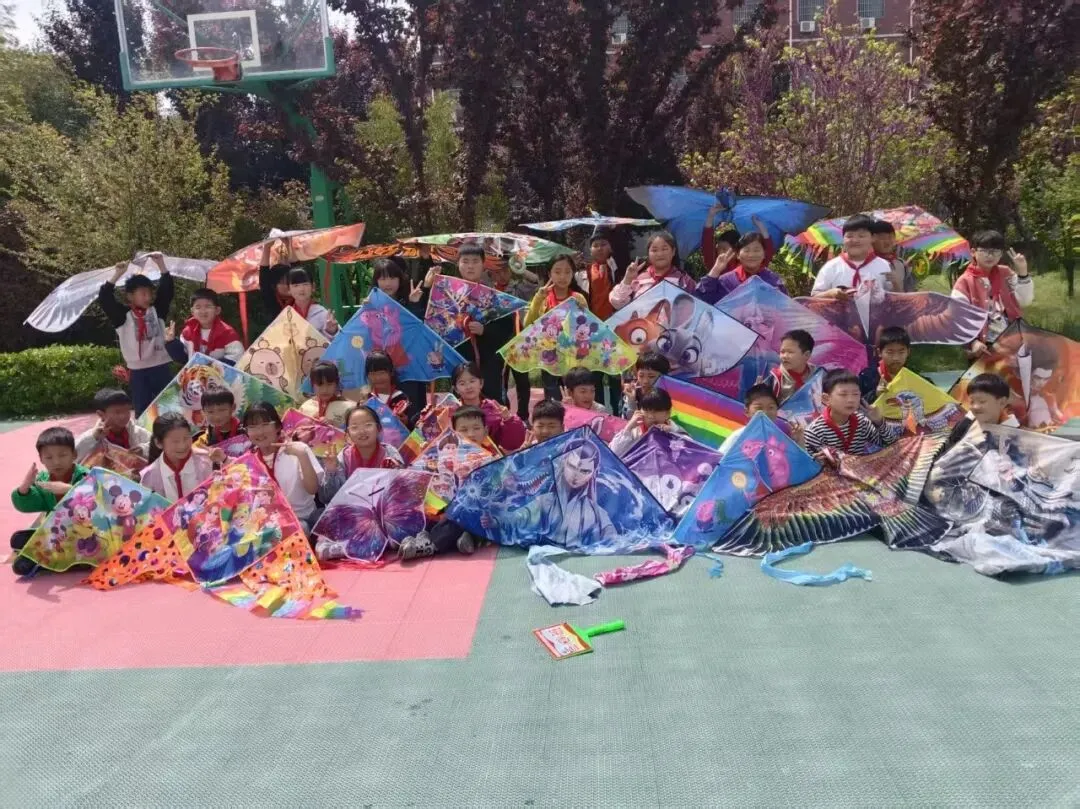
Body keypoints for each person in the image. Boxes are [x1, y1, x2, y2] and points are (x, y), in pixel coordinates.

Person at [398, 406, 501, 560]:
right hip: (444, 511)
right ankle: (448, 538)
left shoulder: (493, 460)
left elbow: (496, 496)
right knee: (425, 514)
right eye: (464, 429)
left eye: (476, 428)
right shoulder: (444, 457)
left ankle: (430, 545)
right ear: (454, 432)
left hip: (474, 514)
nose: (471, 434)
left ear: (485, 431)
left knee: (460, 517)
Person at [423, 243, 514, 404]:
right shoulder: (446, 293)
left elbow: (507, 329)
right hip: (459, 357)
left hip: (488, 361)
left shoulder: (494, 296)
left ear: (483, 264)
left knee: (492, 404)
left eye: (475, 261)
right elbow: (431, 321)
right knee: (462, 405)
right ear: (458, 264)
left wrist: (485, 330)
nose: (470, 266)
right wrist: (427, 287)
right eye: (465, 261)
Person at [96, 252, 174, 413]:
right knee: (142, 411)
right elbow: (104, 298)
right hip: (138, 372)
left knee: (170, 408)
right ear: (130, 296)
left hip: (161, 367)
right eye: (143, 293)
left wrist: (161, 264)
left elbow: (167, 291)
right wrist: (117, 274)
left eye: (150, 293)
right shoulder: (122, 316)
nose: (148, 297)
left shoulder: (157, 310)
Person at [10, 427, 89, 576]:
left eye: (62, 455)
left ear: (74, 454)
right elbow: (30, 504)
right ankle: (41, 554)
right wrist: (24, 489)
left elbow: (97, 496)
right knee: (18, 539)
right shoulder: (43, 479)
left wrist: (70, 489)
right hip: (57, 533)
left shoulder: (85, 475)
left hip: (85, 532)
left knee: (82, 545)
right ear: (41, 459)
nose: (56, 462)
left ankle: (45, 563)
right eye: (49, 457)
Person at [243, 401, 324, 535]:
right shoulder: (249, 461)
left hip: (301, 519)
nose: (259, 432)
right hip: (268, 525)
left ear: (277, 426)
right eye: (252, 427)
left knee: (300, 528)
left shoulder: (299, 449)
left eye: (265, 425)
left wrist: (302, 456)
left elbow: (312, 489)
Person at [951, 230, 1032, 356]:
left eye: (995, 251)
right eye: (984, 251)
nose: (990, 256)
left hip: (1013, 339)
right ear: (973, 252)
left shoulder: (1005, 273)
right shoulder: (965, 282)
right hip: (984, 346)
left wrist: (1023, 272)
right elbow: (957, 317)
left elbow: (1025, 301)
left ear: (1001, 254)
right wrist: (973, 342)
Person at [524, 255, 589, 401]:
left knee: (576, 397)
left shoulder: (578, 298)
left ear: (573, 274)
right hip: (549, 357)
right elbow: (528, 323)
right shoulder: (543, 298)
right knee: (553, 399)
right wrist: (538, 298)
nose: (562, 276)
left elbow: (586, 327)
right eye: (557, 272)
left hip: (573, 357)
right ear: (549, 274)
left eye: (567, 272)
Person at [372, 258, 428, 417]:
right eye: (383, 278)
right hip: (381, 368)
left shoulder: (409, 301)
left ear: (400, 279)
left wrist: (414, 304)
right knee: (383, 412)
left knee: (413, 411)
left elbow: (419, 329)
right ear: (376, 281)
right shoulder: (369, 306)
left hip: (409, 367)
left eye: (392, 277)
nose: (387, 283)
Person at [318, 404, 406, 504]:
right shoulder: (343, 457)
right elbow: (327, 498)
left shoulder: (390, 453)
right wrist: (331, 471)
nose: (362, 431)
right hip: (351, 510)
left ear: (378, 428)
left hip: (384, 507)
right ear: (348, 434)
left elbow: (401, 490)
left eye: (368, 425)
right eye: (354, 427)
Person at [804, 369, 893, 457]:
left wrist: (879, 422)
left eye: (855, 394)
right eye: (843, 395)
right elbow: (814, 463)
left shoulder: (862, 421)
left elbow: (889, 444)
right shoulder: (814, 432)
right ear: (826, 399)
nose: (851, 400)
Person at [450, 362, 527, 452]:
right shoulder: (450, 412)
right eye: (462, 383)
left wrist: (508, 420)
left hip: (491, 458)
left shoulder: (494, 408)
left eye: (472, 381)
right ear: (456, 389)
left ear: (481, 383)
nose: (468, 386)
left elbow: (513, 443)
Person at [811, 214, 894, 298]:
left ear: (873, 238)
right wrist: (830, 294)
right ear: (843, 238)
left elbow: (893, 297)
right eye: (849, 236)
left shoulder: (884, 266)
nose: (855, 240)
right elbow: (814, 296)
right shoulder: (831, 266)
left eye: (861, 236)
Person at [609, 231, 695, 310]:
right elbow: (617, 303)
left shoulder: (684, 281)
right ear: (648, 254)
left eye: (664, 249)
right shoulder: (638, 280)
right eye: (654, 250)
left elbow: (696, 309)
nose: (660, 254)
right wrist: (627, 279)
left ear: (673, 252)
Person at [140, 413, 215, 501]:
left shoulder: (207, 460)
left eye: (186, 438)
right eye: (175, 441)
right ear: (158, 443)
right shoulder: (149, 476)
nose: (182, 446)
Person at [697, 231, 788, 304]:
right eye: (746, 250)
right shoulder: (726, 281)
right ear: (738, 255)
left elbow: (784, 309)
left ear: (764, 254)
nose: (751, 255)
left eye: (756, 250)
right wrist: (715, 270)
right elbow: (701, 300)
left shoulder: (773, 281)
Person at [718, 384, 805, 454]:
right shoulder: (738, 437)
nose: (766, 413)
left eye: (771, 407)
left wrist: (799, 442)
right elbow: (719, 463)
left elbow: (798, 464)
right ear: (747, 411)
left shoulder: (781, 439)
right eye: (759, 408)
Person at [168, 288, 244, 366]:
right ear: (192, 312)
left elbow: (237, 358)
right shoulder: (187, 332)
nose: (203, 311)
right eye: (198, 307)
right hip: (194, 373)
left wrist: (209, 367)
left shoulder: (228, 333)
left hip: (220, 373)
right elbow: (183, 358)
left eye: (208, 306)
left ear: (217, 310)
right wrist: (171, 342)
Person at [75, 388, 151, 459]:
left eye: (127, 410)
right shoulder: (94, 436)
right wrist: (93, 437)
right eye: (117, 412)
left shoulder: (135, 432)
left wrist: (143, 449)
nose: (124, 416)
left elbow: (155, 442)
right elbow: (73, 454)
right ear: (101, 414)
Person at [610, 389, 688, 456]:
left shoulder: (676, 431)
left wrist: (673, 434)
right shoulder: (634, 432)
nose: (651, 416)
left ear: (668, 413)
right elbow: (613, 454)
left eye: (656, 411)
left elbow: (690, 452)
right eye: (646, 410)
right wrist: (628, 428)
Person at [701, 209, 774, 274]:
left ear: (736, 251)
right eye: (718, 248)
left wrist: (761, 226)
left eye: (724, 249)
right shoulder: (715, 264)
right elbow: (707, 243)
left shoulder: (749, 267)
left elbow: (768, 252)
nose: (719, 252)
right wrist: (711, 216)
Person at [858, 326, 911, 402]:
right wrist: (875, 394)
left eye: (901, 352)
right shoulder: (866, 377)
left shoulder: (914, 377)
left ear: (908, 352)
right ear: (879, 352)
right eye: (890, 352)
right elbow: (855, 405)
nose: (896, 358)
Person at [364, 349, 415, 428]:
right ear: (368, 376)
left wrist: (407, 423)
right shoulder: (367, 400)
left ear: (391, 372)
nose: (377, 378)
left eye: (382, 373)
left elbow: (417, 433)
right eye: (372, 374)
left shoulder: (402, 399)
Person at [288, 268, 340, 339]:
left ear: (313, 287)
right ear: (289, 289)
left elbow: (340, 340)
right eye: (296, 285)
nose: (301, 289)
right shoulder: (286, 315)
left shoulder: (322, 313)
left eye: (305, 284)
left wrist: (332, 332)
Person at [300, 360, 355, 428]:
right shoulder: (306, 407)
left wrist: (336, 426)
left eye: (329, 384)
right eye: (320, 385)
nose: (325, 389)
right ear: (312, 384)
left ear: (336, 383)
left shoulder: (350, 408)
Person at [769, 330, 816, 405]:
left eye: (790, 352)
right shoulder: (774, 378)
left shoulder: (817, 375)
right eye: (782, 352)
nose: (784, 356)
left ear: (806, 355)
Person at [869, 220, 914, 292]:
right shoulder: (868, 264)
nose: (887, 242)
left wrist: (911, 270)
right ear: (872, 239)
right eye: (882, 238)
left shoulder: (901, 264)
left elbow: (909, 293)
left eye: (890, 237)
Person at [623, 351, 670, 418]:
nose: (645, 381)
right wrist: (631, 400)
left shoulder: (669, 396)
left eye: (651, 376)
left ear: (664, 377)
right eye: (641, 375)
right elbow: (629, 418)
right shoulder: (633, 392)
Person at [259, 237, 294, 316]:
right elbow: (264, 275)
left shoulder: (299, 297)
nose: (288, 285)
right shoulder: (270, 297)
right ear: (274, 285)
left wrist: (288, 244)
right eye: (283, 282)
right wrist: (267, 247)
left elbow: (297, 270)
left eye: (290, 281)